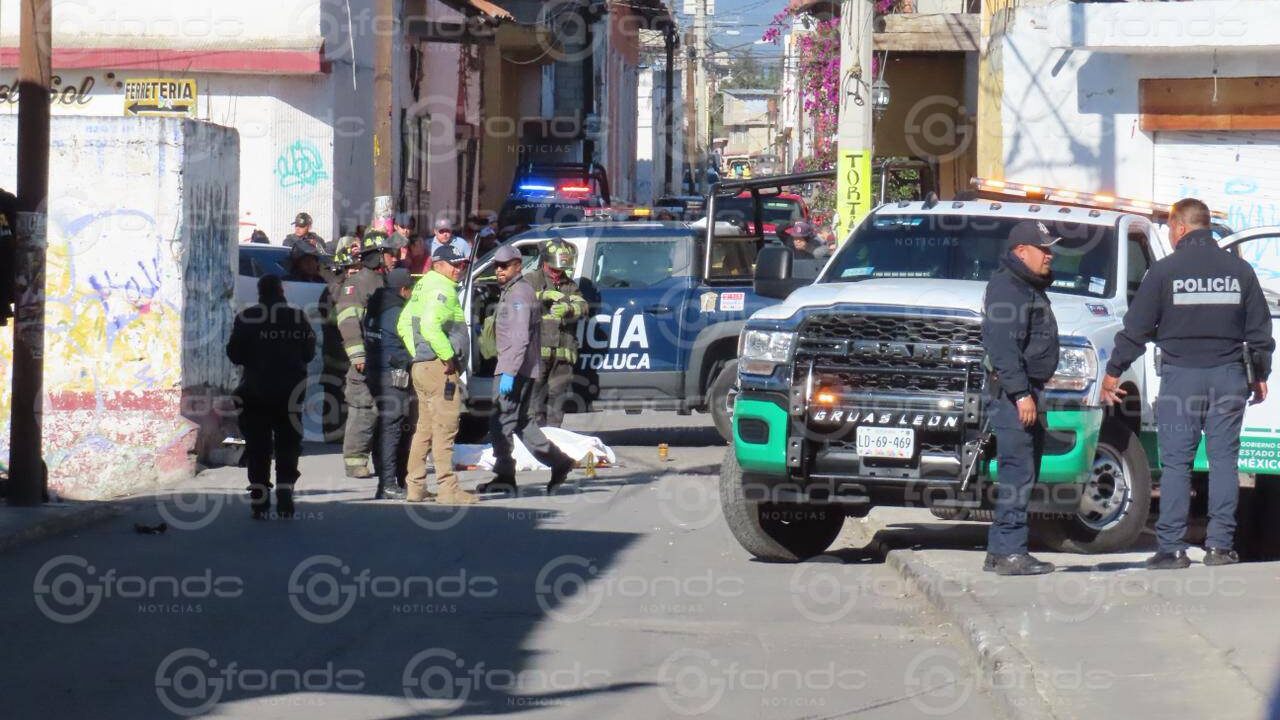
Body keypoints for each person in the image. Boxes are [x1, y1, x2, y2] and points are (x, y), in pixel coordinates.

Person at [1101, 199, 1274, 569]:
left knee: (1178, 464)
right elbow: (1260, 330)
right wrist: (1260, 373)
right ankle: (1220, 548)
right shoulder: (1240, 270)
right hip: (1229, 377)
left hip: (1182, 379)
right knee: (1225, 461)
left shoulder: (1164, 272)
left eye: (1168, 227)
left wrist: (1114, 370)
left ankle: (1172, 549)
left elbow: (1137, 329)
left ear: (1179, 227)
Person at [981, 220, 1061, 576]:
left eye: (1050, 248)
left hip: (1025, 391)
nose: (1050, 255)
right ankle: (1011, 552)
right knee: (1018, 473)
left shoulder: (1024, 285)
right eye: (1043, 249)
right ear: (1020, 251)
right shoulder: (1010, 287)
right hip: (1016, 395)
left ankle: (1000, 550)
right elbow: (1003, 347)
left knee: (1021, 472)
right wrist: (1020, 393)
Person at [477, 245, 576, 495]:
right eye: (497, 266)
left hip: (515, 368)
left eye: (505, 266)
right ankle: (559, 461)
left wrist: (509, 372)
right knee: (523, 423)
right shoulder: (514, 290)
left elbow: (520, 337)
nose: (499, 270)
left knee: (500, 422)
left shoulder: (518, 294)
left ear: (517, 266)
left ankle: (504, 474)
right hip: (523, 367)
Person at [227, 275, 316, 519]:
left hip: (255, 391)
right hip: (290, 392)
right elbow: (309, 353)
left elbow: (234, 353)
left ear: (259, 292)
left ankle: (259, 498)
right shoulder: (297, 317)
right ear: (281, 291)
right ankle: (285, 493)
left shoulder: (246, 318)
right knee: (288, 443)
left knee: (258, 445)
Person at [399, 245, 478, 505]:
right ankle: (448, 489)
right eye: (454, 264)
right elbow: (431, 326)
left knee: (424, 429)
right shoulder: (442, 288)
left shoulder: (424, 285)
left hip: (422, 366)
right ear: (438, 264)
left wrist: (418, 354)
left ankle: (416, 486)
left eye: (462, 264)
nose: (460, 269)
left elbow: (403, 322)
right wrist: (447, 358)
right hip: (439, 369)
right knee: (445, 428)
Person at [335, 230, 390, 480]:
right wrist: (358, 356)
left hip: (384, 359)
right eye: (388, 252)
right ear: (378, 255)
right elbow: (348, 321)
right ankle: (355, 461)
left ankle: (383, 461)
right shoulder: (356, 285)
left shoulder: (384, 281)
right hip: (365, 361)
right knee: (363, 409)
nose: (393, 257)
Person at [364, 268, 415, 500]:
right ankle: (388, 483)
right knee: (392, 428)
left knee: (385, 425)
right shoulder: (398, 310)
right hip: (393, 374)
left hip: (374, 372)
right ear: (403, 289)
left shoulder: (375, 304)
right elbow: (404, 343)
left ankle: (387, 482)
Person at [528, 236, 588, 428]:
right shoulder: (531, 279)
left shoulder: (570, 286)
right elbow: (515, 302)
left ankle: (554, 442)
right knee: (534, 400)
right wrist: (541, 296)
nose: (557, 274)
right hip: (537, 354)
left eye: (561, 270)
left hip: (562, 355)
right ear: (545, 262)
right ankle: (534, 442)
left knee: (556, 402)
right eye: (554, 270)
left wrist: (569, 309)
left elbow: (584, 307)